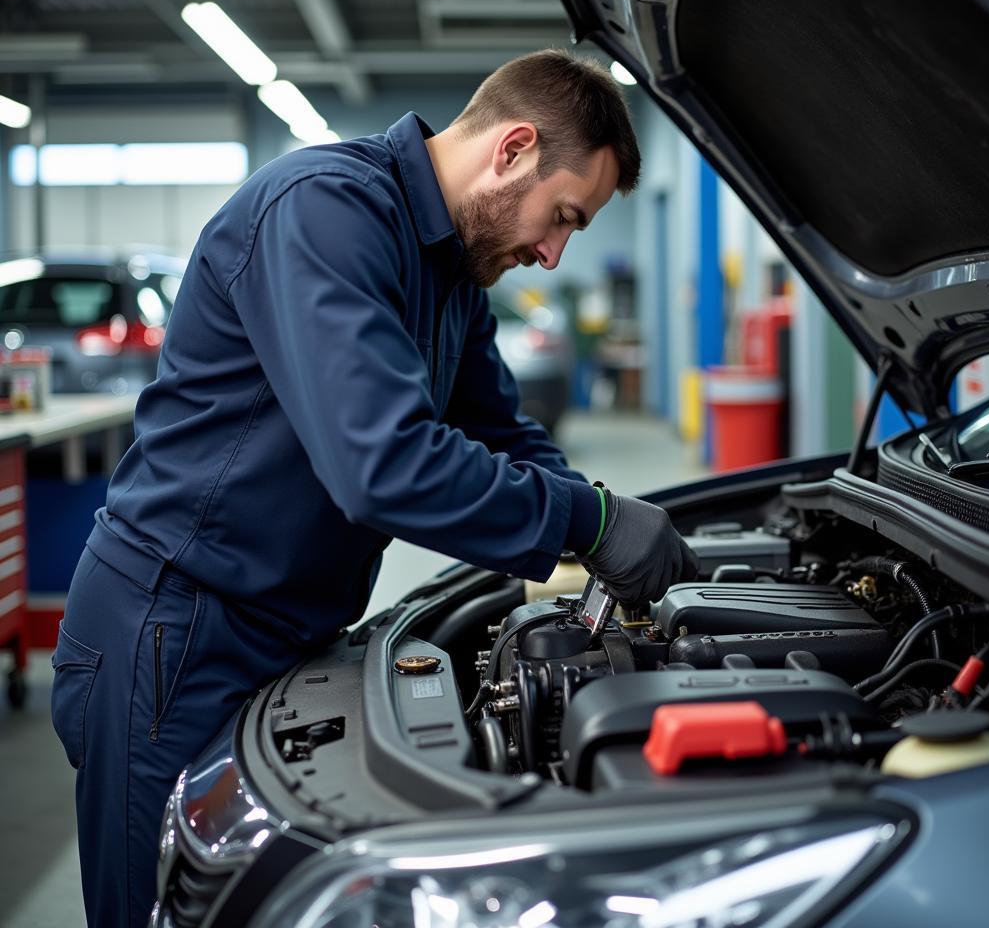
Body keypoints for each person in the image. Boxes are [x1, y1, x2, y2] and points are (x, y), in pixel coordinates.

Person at [50, 49, 697, 927]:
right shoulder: (326, 210)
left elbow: (497, 431)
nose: (552, 254)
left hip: (285, 629)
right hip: (172, 634)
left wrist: (609, 524)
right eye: (564, 217)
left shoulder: (454, 273)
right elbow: (383, 467)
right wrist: (588, 520)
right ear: (511, 150)